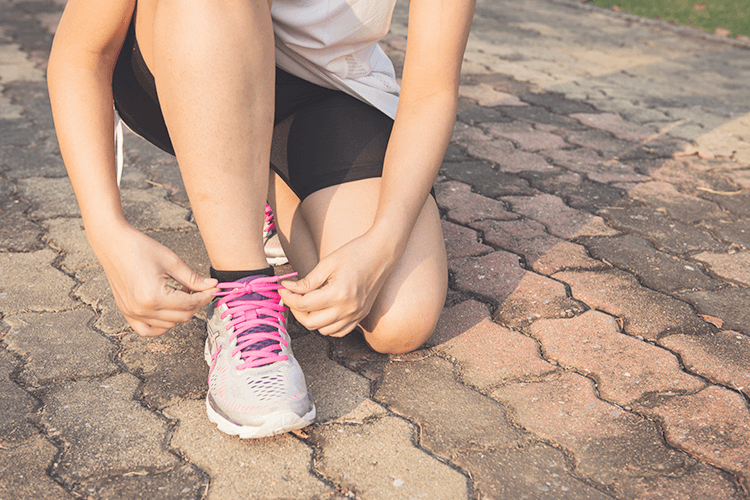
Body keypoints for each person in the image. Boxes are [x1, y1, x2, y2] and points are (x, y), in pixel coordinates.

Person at [47, 0, 475, 438]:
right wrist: (106, 228)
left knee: (399, 320)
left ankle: (252, 182)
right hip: (189, 46)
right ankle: (241, 292)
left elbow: (432, 90)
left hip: (326, 87)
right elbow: (81, 55)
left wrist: (383, 241)